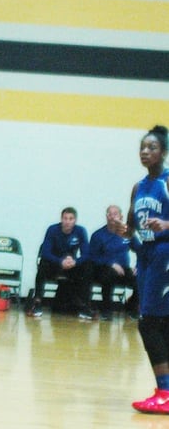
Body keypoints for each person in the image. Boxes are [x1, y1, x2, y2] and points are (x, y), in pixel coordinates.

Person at [125, 125, 169, 414]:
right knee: (160, 324)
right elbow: (132, 229)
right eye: (142, 147)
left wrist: (167, 225)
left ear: (163, 152)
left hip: (165, 258)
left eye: (151, 147)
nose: (145, 151)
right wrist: (123, 232)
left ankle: (164, 392)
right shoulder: (138, 187)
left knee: (149, 323)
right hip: (146, 259)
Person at [28, 207, 93, 319]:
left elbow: (86, 254)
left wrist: (75, 262)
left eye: (71, 219)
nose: (67, 221)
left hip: (71, 266)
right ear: (61, 219)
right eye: (65, 218)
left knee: (88, 266)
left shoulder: (80, 231)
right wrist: (60, 261)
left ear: (75, 220)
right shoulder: (52, 229)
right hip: (54, 265)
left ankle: (84, 306)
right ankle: (37, 303)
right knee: (43, 264)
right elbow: (45, 252)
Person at [88, 204, 139, 321]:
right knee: (108, 275)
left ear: (121, 217)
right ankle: (106, 310)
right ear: (106, 217)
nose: (112, 217)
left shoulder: (127, 233)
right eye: (109, 214)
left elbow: (140, 250)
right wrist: (111, 263)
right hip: (104, 268)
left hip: (124, 269)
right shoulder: (98, 235)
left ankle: (131, 307)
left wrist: (138, 266)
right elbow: (92, 257)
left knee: (140, 278)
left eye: (115, 214)